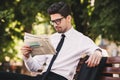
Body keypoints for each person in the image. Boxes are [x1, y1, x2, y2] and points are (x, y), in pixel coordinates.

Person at [0, 1, 108, 80]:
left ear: (68, 18)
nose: (55, 25)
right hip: (42, 77)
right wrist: (27, 57)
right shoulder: (51, 39)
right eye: (53, 22)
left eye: (58, 21)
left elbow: (102, 52)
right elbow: (34, 67)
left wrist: (98, 52)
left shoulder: (81, 39)